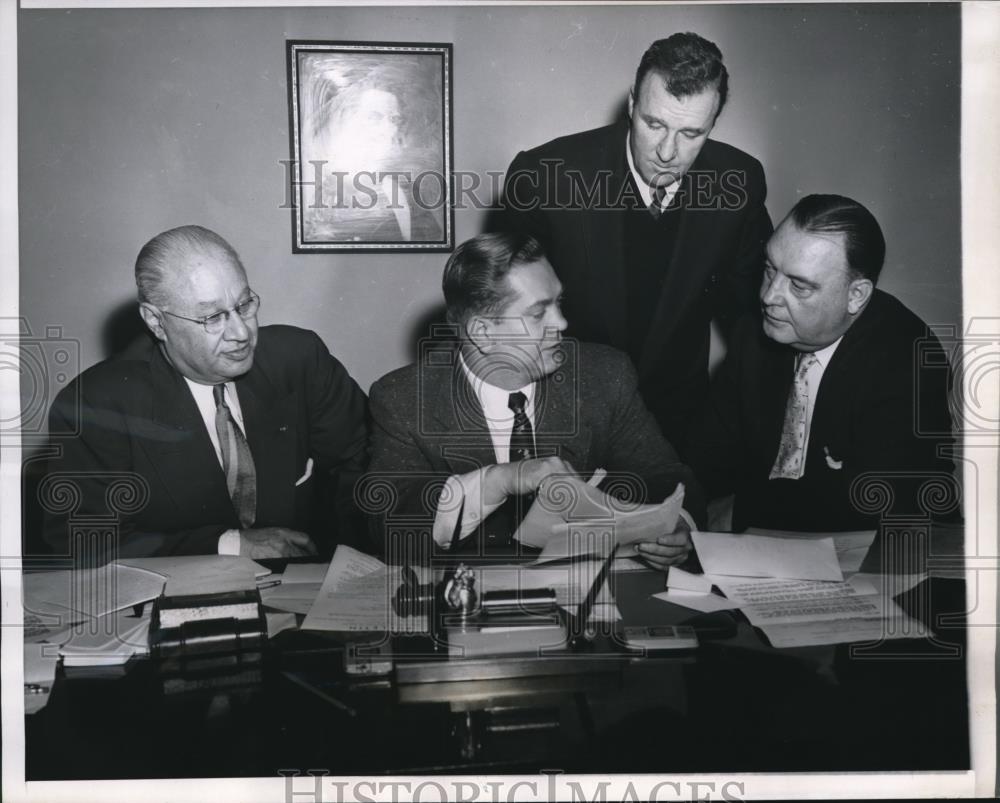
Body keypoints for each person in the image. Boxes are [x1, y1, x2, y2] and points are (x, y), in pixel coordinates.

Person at [366, 231, 704, 569]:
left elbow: (667, 476)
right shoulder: (403, 399)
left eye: (559, 303)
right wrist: (501, 480)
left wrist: (678, 526)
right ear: (482, 332)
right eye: (539, 313)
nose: (562, 322)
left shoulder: (604, 375)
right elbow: (388, 525)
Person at [503, 33, 772, 455]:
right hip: (565, 415)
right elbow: (507, 317)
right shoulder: (545, 176)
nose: (668, 152)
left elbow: (752, 319)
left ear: (713, 123)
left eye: (691, 133)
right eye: (654, 124)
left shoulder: (740, 182)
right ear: (631, 104)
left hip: (681, 425)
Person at [42, 225, 368, 562]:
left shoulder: (300, 359)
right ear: (155, 322)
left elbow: (366, 467)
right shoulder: (94, 403)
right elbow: (80, 540)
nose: (242, 333)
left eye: (244, 305)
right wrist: (230, 544)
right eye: (212, 317)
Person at [686, 194, 957, 532]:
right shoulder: (752, 335)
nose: (769, 297)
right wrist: (683, 514)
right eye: (769, 270)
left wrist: (746, 511)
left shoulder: (906, 354)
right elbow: (707, 454)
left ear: (856, 296)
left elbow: (887, 498)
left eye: (799, 286)